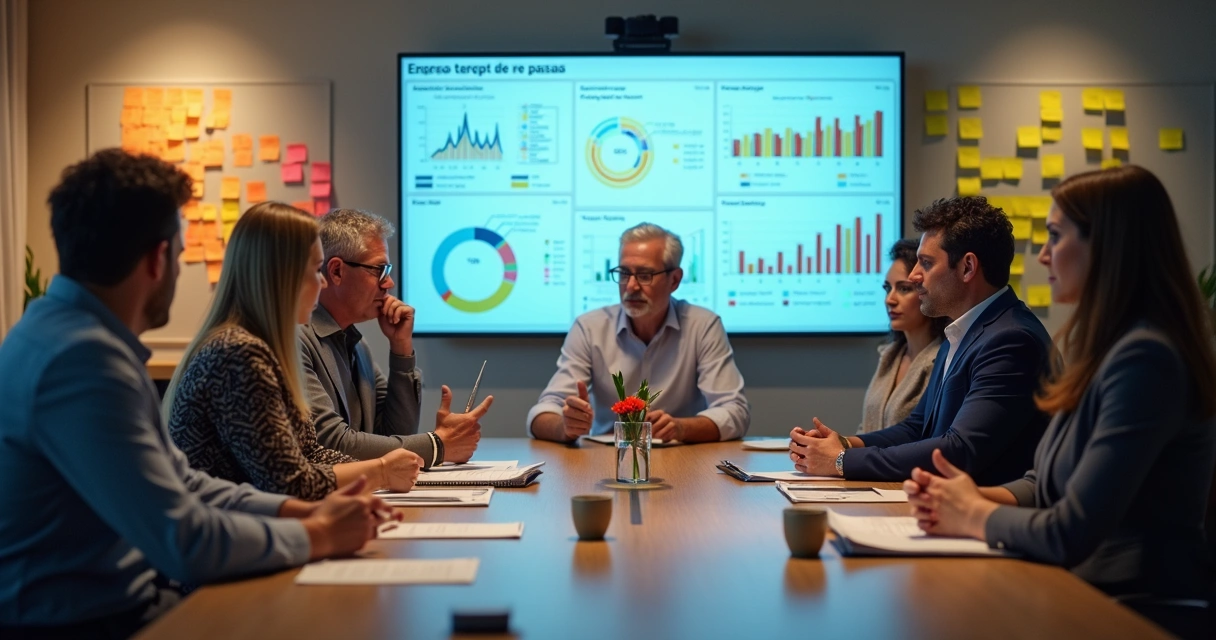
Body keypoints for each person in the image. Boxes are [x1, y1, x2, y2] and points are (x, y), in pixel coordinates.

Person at [0, 150, 394, 637]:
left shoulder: (55, 334)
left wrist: (303, 513)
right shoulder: (82, 362)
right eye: (182, 254)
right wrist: (315, 533)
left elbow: (184, 482)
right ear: (158, 258)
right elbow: (182, 537)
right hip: (94, 622)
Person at [904, 166, 1216, 636]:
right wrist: (967, 496)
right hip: (1085, 592)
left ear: (1109, 245)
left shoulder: (1147, 358)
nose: (1045, 255)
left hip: (1139, 611)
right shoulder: (1108, 348)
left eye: (1055, 236)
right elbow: (1044, 479)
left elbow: (1070, 530)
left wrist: (973, 513)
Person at [167, 203, 423, 501]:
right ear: (280, 278)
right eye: (316, 270)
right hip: (225, 538)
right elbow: (289, 483)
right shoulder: (238, 353)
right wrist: (379, 471)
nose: (324, 281)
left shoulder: (263, 347)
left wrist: (385, 469)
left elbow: (310, 453)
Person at [789, 196, 1052, 483]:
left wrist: (840, 461)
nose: (915, 276)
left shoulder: (1011, 340)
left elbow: (959, 450)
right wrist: (844, 444)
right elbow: (916, 428)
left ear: (967, 268)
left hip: (984, 519)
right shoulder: (962, 331)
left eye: (925, 263)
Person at [299, 208, 491, 468]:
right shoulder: (295, 339)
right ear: (336, 272)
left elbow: (393, 434)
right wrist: (439, 445)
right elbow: (331, 443)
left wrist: (401, 349)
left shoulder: (357, 345)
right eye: (379, 270)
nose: (388, 283)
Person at [528, 223, 750, 443]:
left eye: (644, 275)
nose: (631, 286)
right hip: (607, 460)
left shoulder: (702, 326)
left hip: (682, 457)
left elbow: (735, 411)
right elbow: (543, 411)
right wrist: (565, 427)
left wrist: (681, 428)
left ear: (674, 280)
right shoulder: (590, 327)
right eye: (624, 273)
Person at [858, 239, 948, 434]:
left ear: (927, 291)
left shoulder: (943, 360)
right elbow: (866, 429)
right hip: (867, 464)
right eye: (887, 288)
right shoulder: (890, 356)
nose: (889, 299)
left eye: (904, 288)